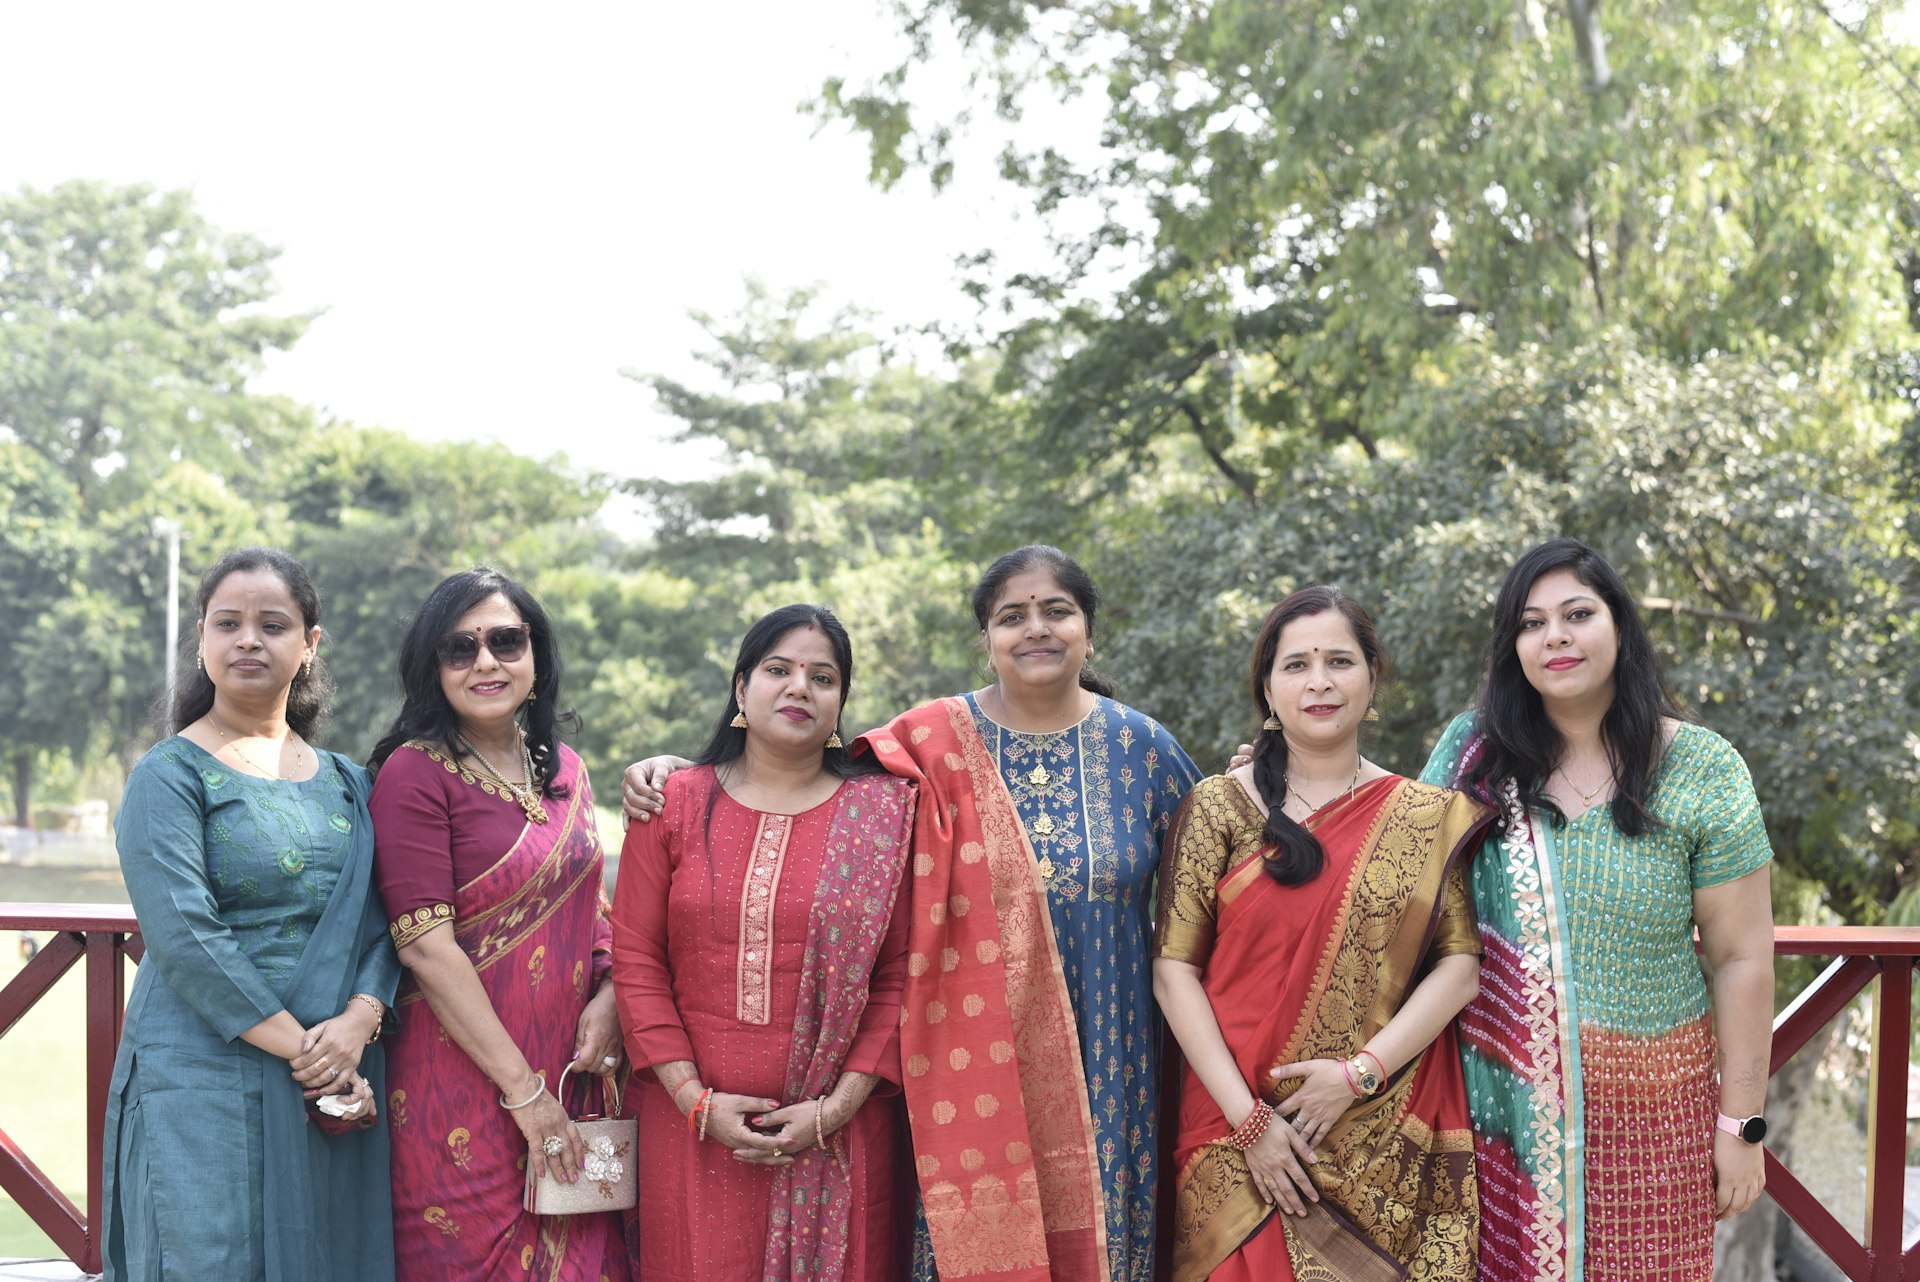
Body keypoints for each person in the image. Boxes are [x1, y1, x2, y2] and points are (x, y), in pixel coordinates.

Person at [625, 546, 1202, 1282]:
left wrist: (1265, 770)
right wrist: (671, 769)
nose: (1036, 630)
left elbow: (1219, 874)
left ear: (1090, 633)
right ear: (985, 638)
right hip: (965, 1060)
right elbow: (789, 764)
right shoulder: (927, 745)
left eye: (1057, 611)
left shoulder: (1145, 750)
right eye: (1010, 616)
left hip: (1113, 1063)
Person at [1420, 537, 1775, 1282]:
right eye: (1530, 622)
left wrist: (1741, 1126)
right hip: (1499, 1118)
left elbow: (1742, 957)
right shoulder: (1471, 756)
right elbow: (1395, 876)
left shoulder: (1702, 767)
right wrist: (1280, 782)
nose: (1554, 636)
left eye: (1577, 614)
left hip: (1654, 1125)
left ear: (1618, 625)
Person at [1154, 586, 1488, 1281]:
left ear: (1372, 677)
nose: (1320, 682)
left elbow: (1459, 967)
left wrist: (1358, 1075)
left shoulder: (1426, 817)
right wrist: (1250, 1123)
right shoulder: (1219, 807)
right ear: (1268, 690)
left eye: (1339, 661)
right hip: (1233, 1126)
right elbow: (1174, 971)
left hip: (1384, 1129)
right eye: (1296, 665)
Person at [102, 547, 399, 1282]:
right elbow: (184, 937)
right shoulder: (168, 776)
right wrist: (312, 1056)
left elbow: (390, 916)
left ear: (309, 646)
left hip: (335, 1077)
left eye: (272, 624)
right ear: (201, 640)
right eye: (227, 623)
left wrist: (360, 1022)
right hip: (203, 1074)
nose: (248, 640)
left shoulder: (350, 782)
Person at [610, 604, 918, 1282]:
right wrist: (696, 1100)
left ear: (842, 703)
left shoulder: (886, 813)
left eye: (823, 677)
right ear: (741, 688)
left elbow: (898, 974)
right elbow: (635, 960)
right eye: (778, 670)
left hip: (837, 1133)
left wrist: (833, 1111)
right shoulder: (673, 804)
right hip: (689, 1128)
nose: (800, 688)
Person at [369, 567, 630, 1281]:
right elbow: (426, 950)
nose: (486, 661)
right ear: (434, 670)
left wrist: (611, 996)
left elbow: (591, 909)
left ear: (536, 657)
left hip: (572, 1081)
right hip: (457, 1087)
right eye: (460, 648)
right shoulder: (414, 774)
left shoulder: (566, 768)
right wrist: (526, 1096)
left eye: (506, 641)